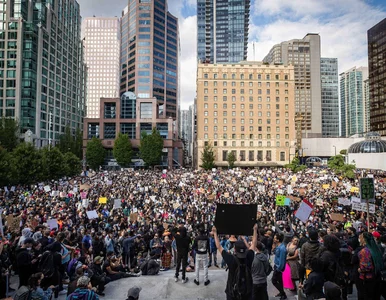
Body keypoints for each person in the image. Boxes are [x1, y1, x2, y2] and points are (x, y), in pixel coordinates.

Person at [212, 226, 254, 300]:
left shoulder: (231, 259)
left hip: (232, 292)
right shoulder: (249, 257)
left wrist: (215, 233)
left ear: (234, 249)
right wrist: (254, 231)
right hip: (247, 292)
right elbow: (253, 245)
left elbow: (219, 246)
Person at [356, 231, 384, 300]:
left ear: (364, 239)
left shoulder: (365, 251)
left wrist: (360, 269)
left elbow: (366, 267)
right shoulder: (377, 248)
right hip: (377, 277)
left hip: (368, 279)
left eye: (360, 237)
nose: (359, 238)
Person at [249, 225, 270, 300]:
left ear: (256, 248)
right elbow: (267, 268)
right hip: (263, 280)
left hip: (255, 282)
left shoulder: (253, 259)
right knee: (264, 296)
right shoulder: (265, 257)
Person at [271, 233, 287, 300]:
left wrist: (278, 269)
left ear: (278, 239)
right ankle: (281, 292)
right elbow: (274, 253)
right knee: (280, 281)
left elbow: (282, 260)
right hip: (276, 265)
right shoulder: (278, 246)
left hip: (279, 267)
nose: (273, 239)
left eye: (275, 238)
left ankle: (283, 293)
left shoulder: (282, 248)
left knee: (273, 280)